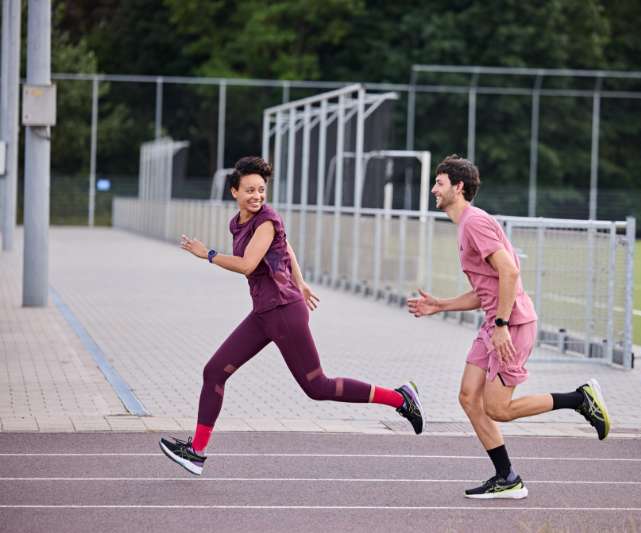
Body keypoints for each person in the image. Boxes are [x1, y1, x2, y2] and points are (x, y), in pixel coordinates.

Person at [160, 156, 424, 475]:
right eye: (250, 190)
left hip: (284, 313)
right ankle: (196, 452)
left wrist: (209, 254)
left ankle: (400, 399)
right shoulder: (237, 223)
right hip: (264, 314)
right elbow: (286, 248)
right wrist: (300, 281)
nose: (257, 196)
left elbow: (247, 264)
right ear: (234, 192)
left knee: (318, 386)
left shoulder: (266, 221)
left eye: (261, 189)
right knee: (214, 371)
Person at [407, 155, 610, 499]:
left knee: (498, 409)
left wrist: (501, 324)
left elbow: (510, 272)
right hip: (494, 322)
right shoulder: (467, 225)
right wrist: (441, 305)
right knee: (468, 397)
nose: (433, 190)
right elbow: (485, 289)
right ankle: (507, 477)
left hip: (511, 324)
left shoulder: (474, 223)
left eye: (439, 183)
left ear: (459, 187)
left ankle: (580, 399)